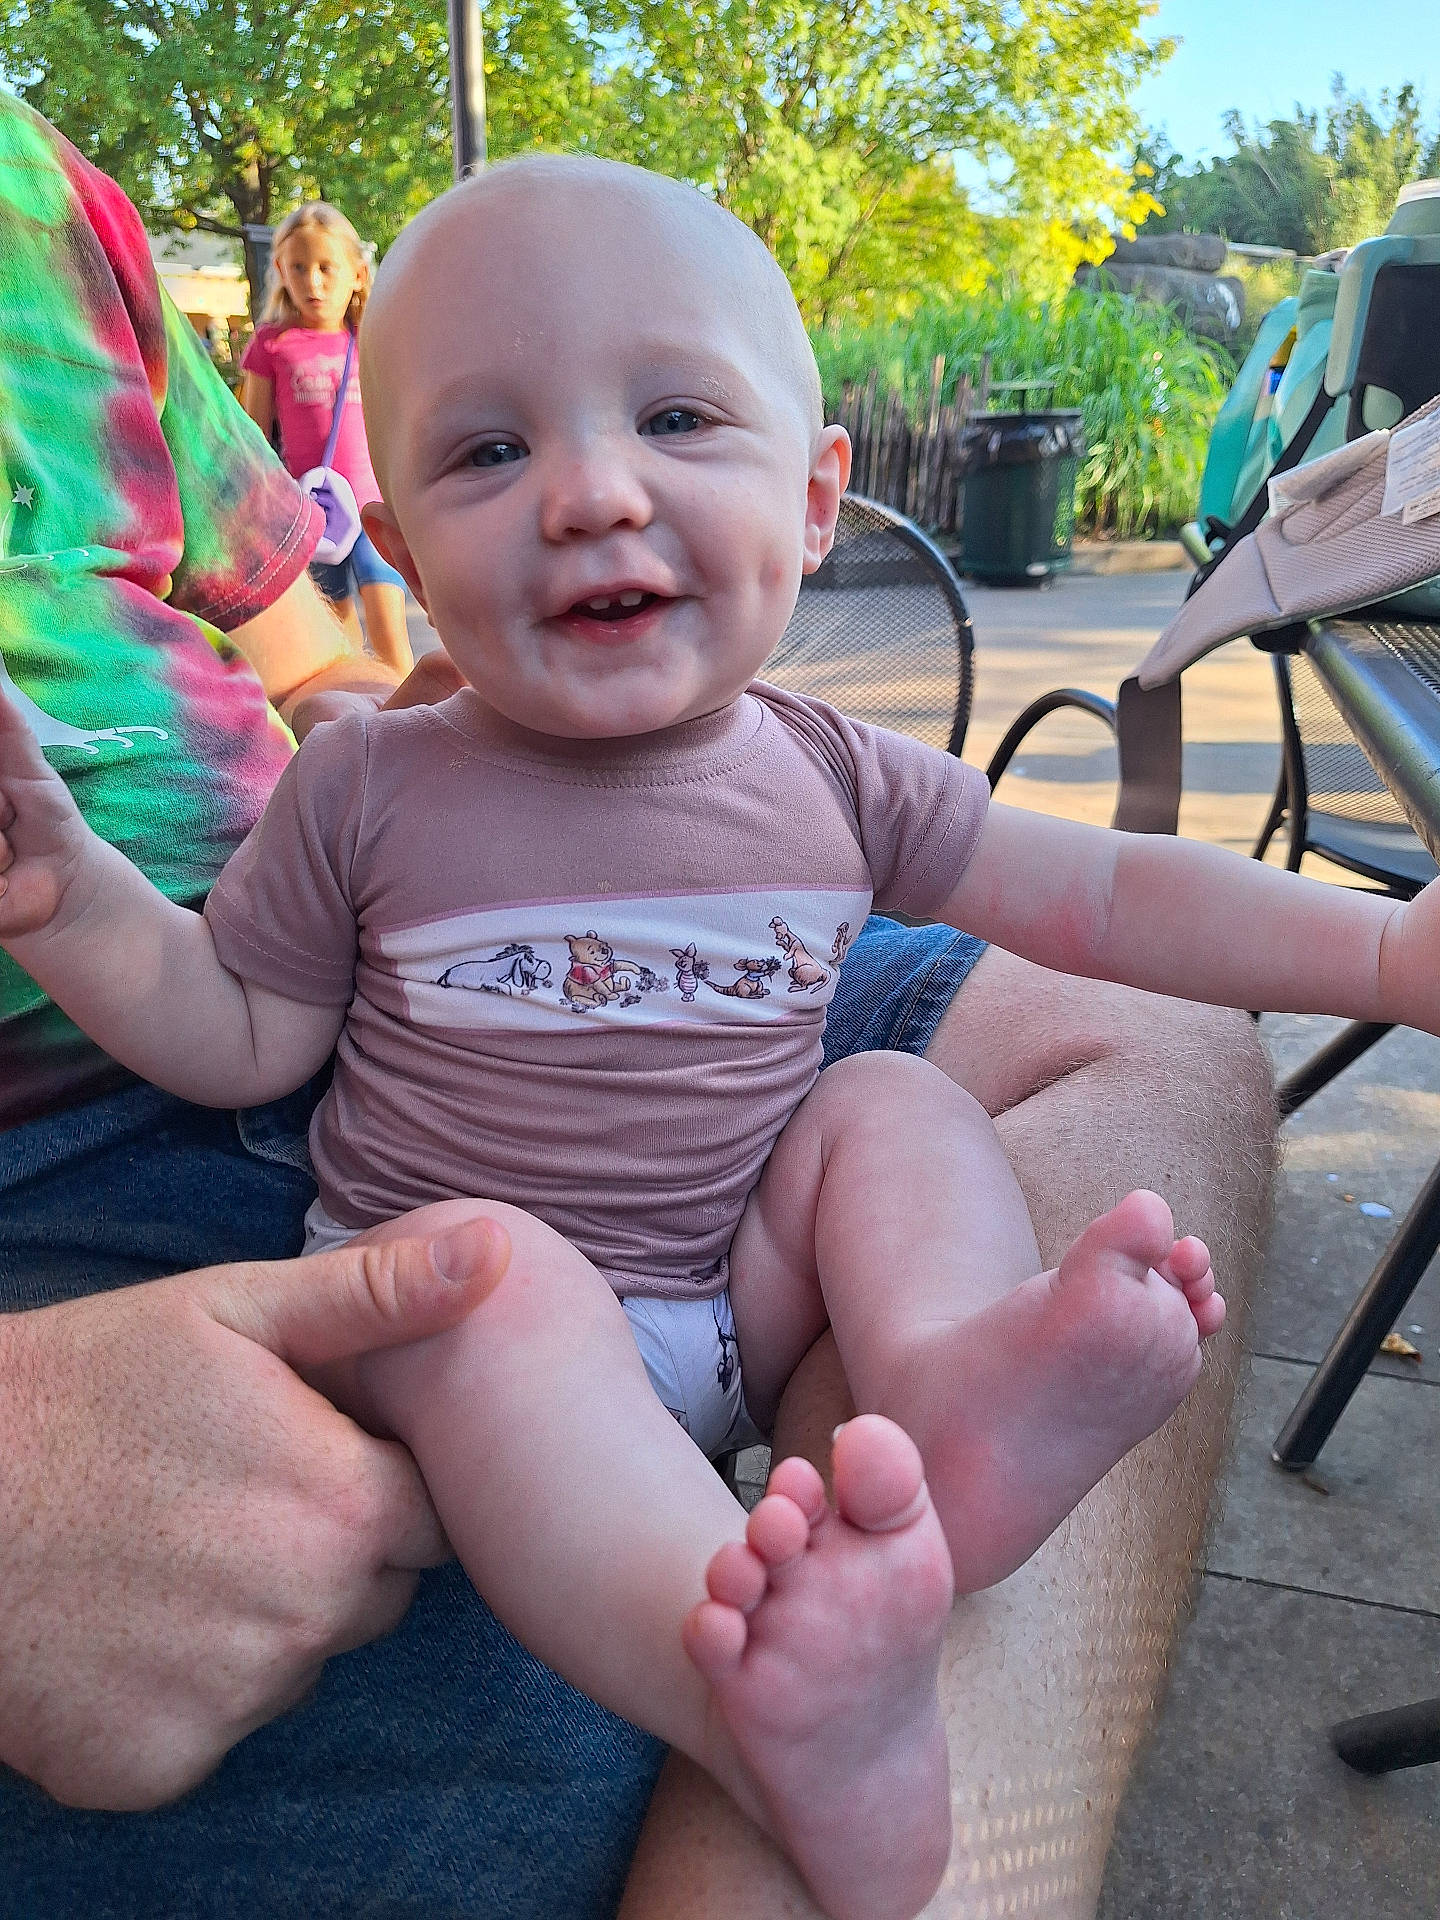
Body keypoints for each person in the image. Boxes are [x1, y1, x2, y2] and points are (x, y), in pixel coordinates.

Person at [7, 150, 1391, 1920]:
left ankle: (954, 1380)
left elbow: (1111, 903)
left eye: (674, 416)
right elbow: (244, 1030)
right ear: (411, 552)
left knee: (882, 1106)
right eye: (489, 452)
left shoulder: (830, 770)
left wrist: (1393, 950)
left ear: (816, 501)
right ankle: (753, 1692)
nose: (590, 494)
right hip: (451, 1349)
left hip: (715, 1291)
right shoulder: (368, 783)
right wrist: (86, 906)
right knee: (481, 1274)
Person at [241, 201, 415, 679]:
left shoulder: (374, 341)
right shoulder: (272, 344)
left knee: (390, 633)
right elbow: (251, 432)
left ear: (358, 274)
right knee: (337, 642)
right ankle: (362, 732)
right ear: (280, 270)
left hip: (375, 509)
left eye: (326, 268)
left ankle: (411, 728)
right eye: (299, 268)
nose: (313, 282)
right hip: (314, 518)